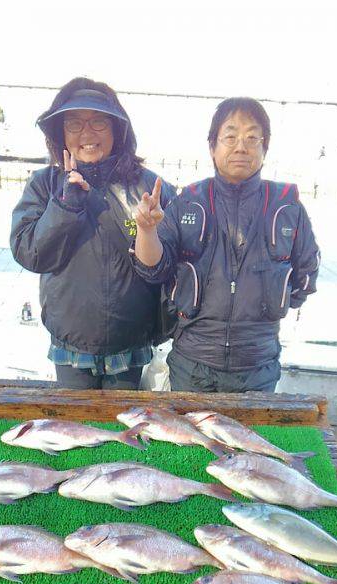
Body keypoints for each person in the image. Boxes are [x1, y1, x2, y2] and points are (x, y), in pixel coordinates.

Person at [133, 97, 320, 393]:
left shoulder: (288, 207)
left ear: (265, 147)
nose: (241, 146)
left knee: (249, 440)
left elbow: (305, 278)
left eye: (252, 137)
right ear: (212, 147)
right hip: (191, 365)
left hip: (258, 368)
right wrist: (146, 230)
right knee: (190, 440)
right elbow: (153, 270)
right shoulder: (187, 202)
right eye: (230, 136)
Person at [10, 77, 174, 389]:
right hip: (70, 345)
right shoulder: (45, 184)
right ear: (61, 134)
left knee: (122, 433)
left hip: (131, 342)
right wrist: (66, 206)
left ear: (117, 130)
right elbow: (29, 252)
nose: (86, 133)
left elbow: (166, 268)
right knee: (76, 430)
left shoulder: (150, 187)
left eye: (99, 122)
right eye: (74, 123)